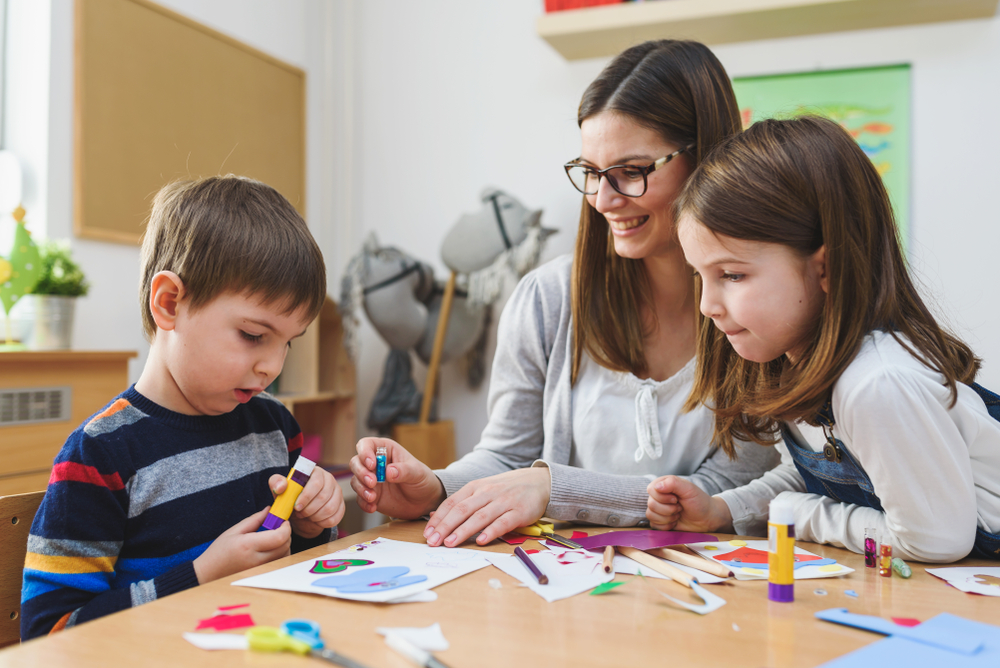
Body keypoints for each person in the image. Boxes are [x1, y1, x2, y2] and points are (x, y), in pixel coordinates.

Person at [350, 40, 780, 549]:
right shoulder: (548, 298)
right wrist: (437, 487)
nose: (603, 200)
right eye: (592, 172)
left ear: (704, 159)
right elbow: (510, 458)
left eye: (632, 171)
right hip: (572, 587)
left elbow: (722, 493)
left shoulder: (759, 305)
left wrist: (554, 488)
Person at [649, 116, 1000, 562]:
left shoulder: (877, 383)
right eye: (700, 277)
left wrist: (799, 517)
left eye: (732, 275)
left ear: (826, 269)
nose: (707, 306)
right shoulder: (796, 364)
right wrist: (724, 510)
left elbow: (934, 540)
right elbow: (827, 476)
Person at [21, 176, 346, 639]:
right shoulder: (101, 456)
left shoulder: (275, 427)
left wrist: (313, 527)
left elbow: (294, 572)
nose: (271, 366)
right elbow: (50, 634)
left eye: (288, 343)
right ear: (170, 303)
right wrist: (200, 576)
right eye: (254, 336)